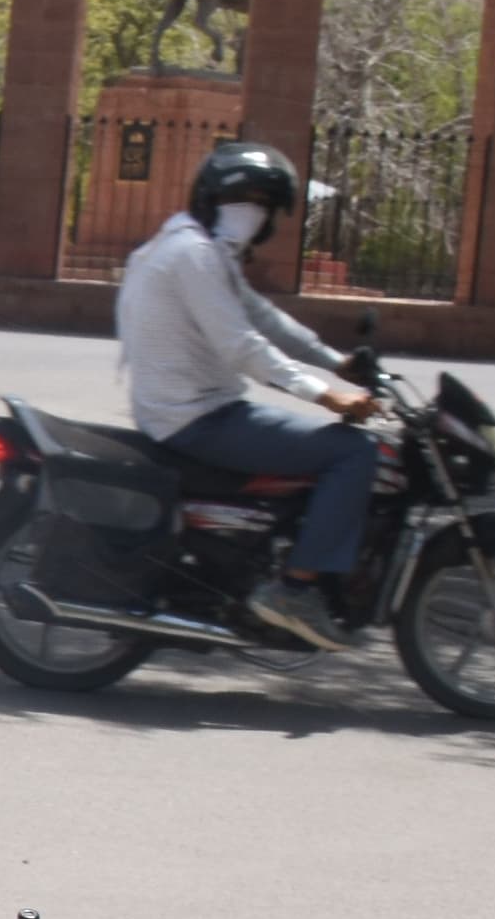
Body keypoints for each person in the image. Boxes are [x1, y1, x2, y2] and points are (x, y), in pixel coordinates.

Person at [115, 138, 378, 648]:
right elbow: (242, 347)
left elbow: (263, 317)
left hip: (189, 410)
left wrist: (338, 363)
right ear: (212, 199)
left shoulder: (195, 250)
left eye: (262, 204)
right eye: (247, 200)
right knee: (353, 452)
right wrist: (327, 396)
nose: (253, 212)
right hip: (198, 419)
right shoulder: (193, 255)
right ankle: (295, 589)